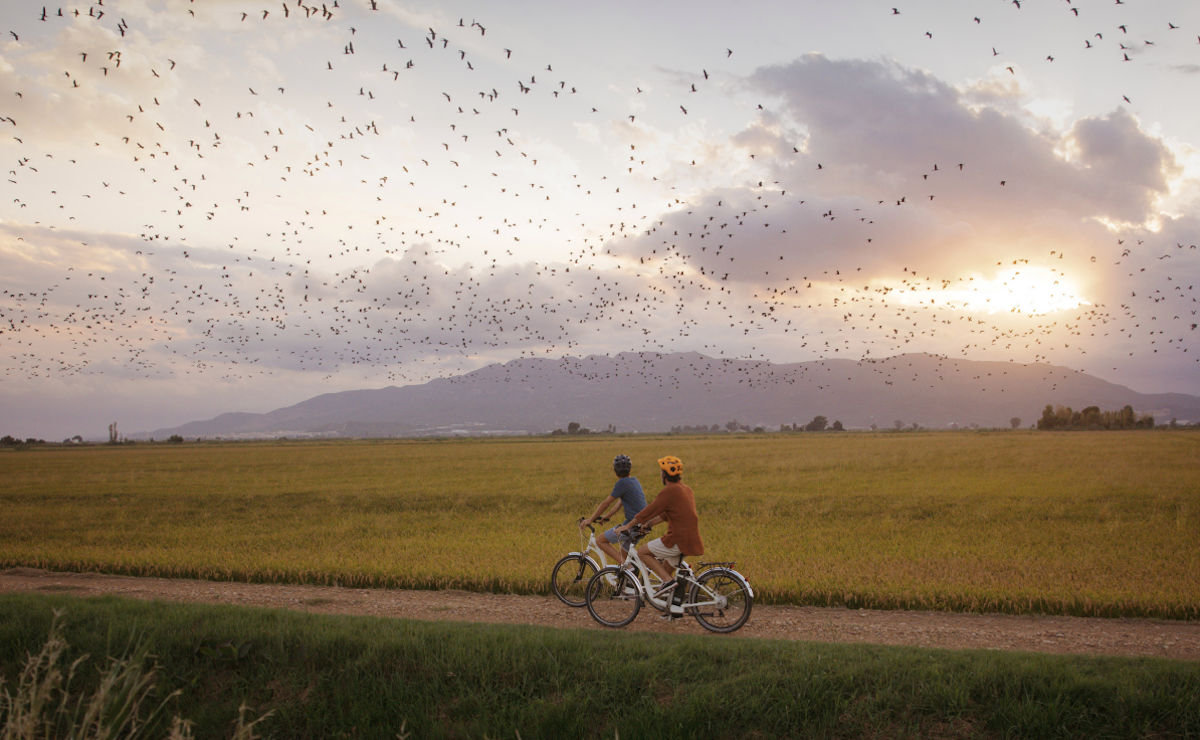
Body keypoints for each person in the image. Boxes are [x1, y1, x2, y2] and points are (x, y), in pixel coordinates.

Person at [614, 455, 703, 599]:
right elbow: (666, 514)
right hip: (690, 539)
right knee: (665, 570)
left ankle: (668, 582)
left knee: (643, 552)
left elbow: (650, 510)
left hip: (677, 539)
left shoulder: (669, 490)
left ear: (665, 474)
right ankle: (674, 609)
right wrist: (649, 524)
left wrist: (629, 526)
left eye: (661, 472)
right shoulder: (686, 490)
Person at [579, 454, 646, 565]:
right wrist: (608, 516)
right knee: (623, 556)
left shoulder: (622, 483)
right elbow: (620, 502)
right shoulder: (634, 481)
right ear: (630, 469)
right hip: (643, 525)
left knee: (600, 541)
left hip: (632, 525)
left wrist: (590, 519)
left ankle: (627, 570)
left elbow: (606, 503)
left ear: (615, 470)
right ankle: (628, 578)